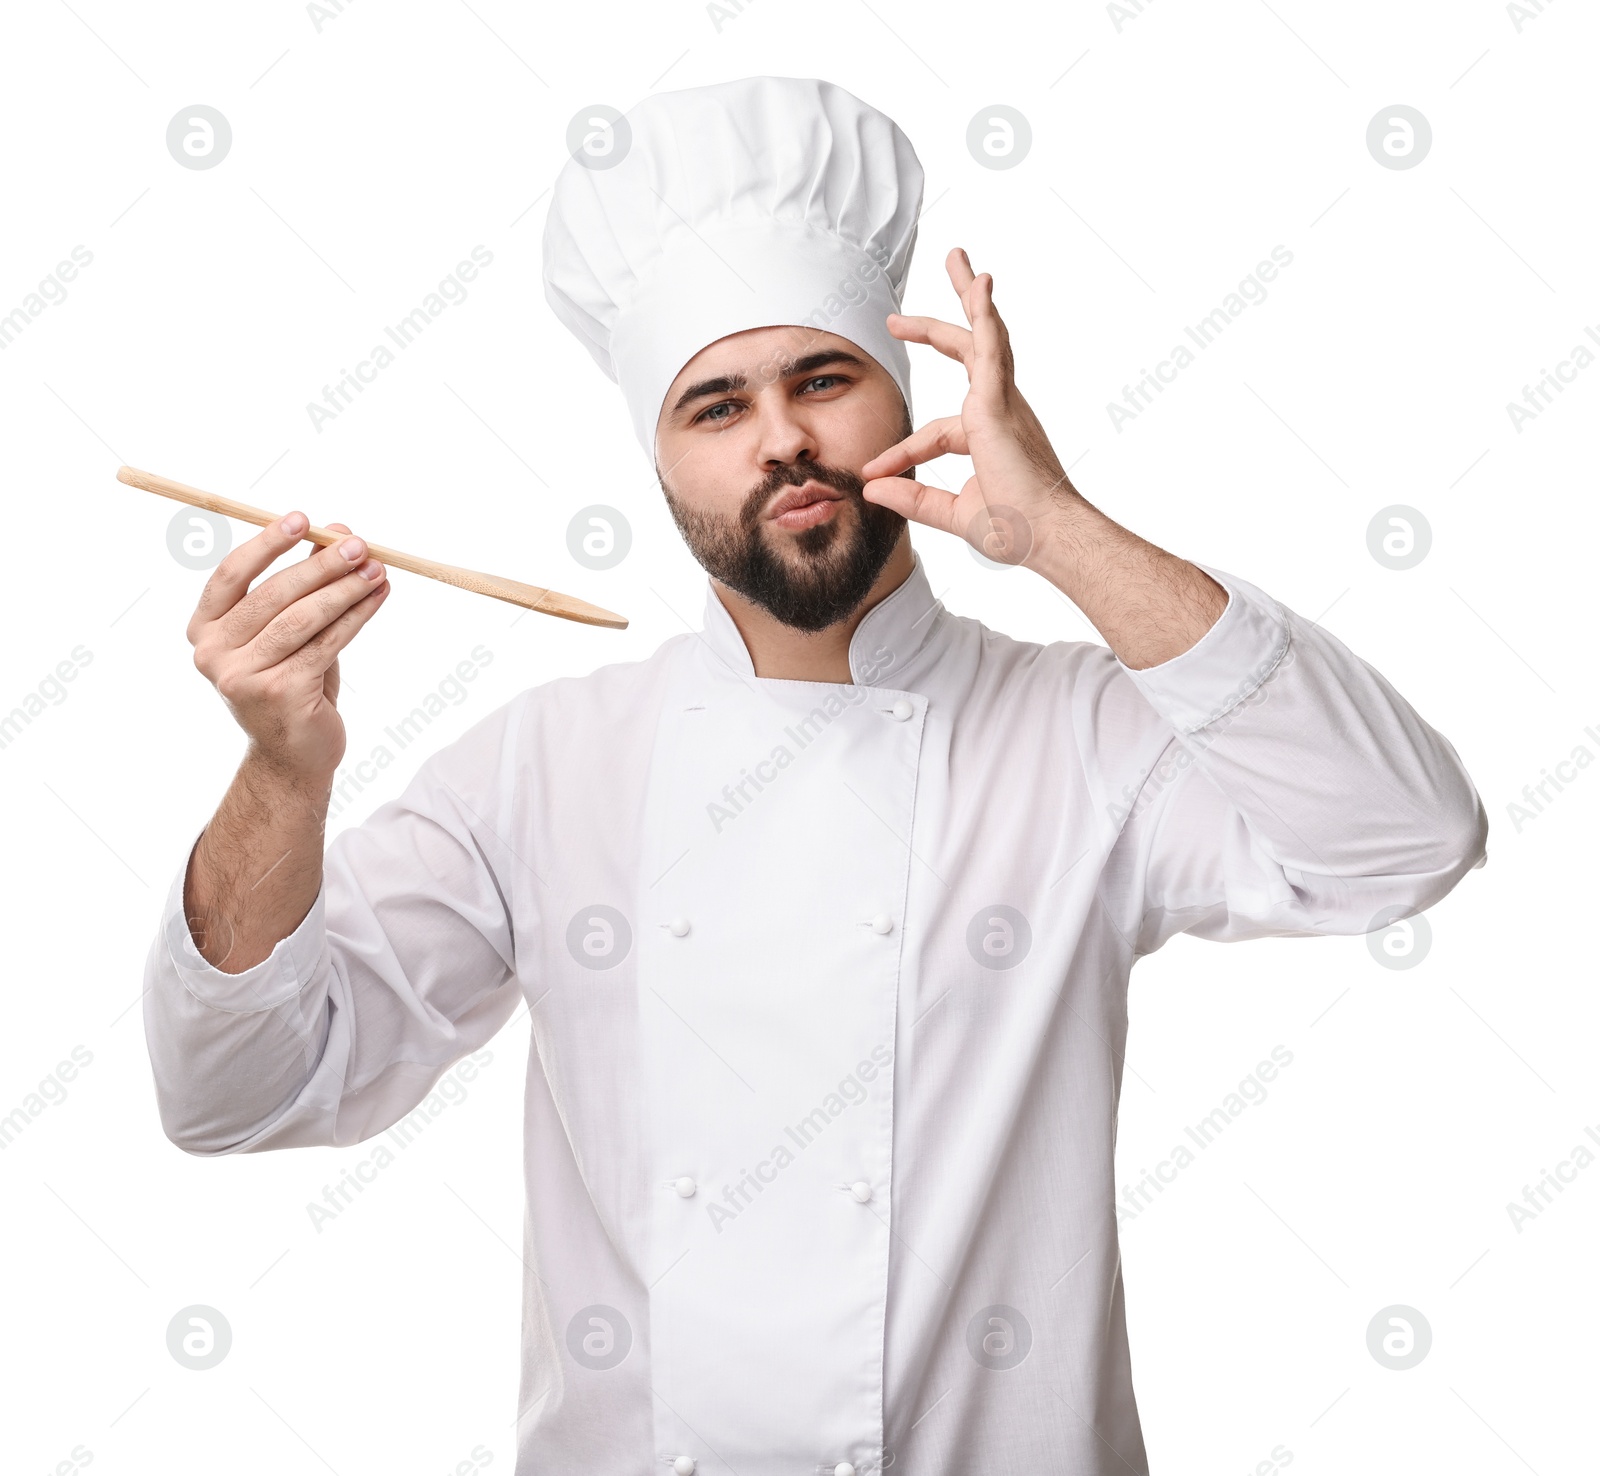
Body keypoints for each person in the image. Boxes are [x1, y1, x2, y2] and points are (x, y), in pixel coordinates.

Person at [142, 75, 1488, 1476]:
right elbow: (239, 1093)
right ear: (662, 468)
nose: (781, 437)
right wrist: (283, 776)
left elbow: (1406, 841)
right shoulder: (544, 768)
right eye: (715, 405)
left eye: (824, 380)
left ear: (907, 400)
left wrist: (1066, 533)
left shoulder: (1079, 735)